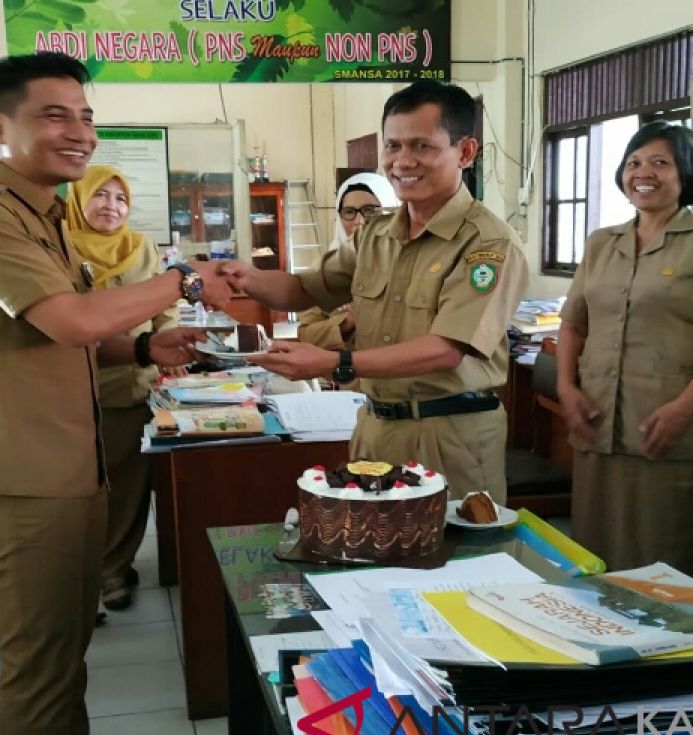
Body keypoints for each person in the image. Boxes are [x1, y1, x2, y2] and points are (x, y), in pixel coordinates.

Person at [0, 53, 229, 735]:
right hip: (19, 475)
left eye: (85, 114)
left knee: (67, 650)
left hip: (67, 462)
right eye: (54, 114)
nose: (79, 131)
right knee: (38, 665)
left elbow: (59, 338)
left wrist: (143, 345)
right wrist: (184, 279)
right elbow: (68, 321)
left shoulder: (48, 213)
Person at [222, 80, 527, 502]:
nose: (403, 162)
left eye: (422, 146)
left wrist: (337, 361)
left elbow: (446, 349)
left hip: (449, 434)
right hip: (375, 427)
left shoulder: (487, 243)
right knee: (372, 548)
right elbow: (304, 289)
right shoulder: (377, 232)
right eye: (393, 146)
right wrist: (240, 278)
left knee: (451, 560)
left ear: (465, 152)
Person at [556, 122, 693, 578]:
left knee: (660, 564)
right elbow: (573, 323)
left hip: (667, 426)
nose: (643, 172)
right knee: (593, 554)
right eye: (634, 162)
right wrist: (567, 387)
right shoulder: (602, 242)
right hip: (597, 423)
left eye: (660, 162)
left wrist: (684, 409)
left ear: (686, 173)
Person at [64, 164, 180, 612]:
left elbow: (165, 305)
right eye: (100, 196)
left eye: (120, 199)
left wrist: (170, 352)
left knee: (128, 488)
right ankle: (77, 574)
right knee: (79, 490)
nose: (111, 206)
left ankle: (114, 570)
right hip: (73, 391)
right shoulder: (60, 248)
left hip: (134, 384)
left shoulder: (141, 248)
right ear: (79, 199)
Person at [297, 172, 398, 353]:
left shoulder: (410, 263)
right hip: (344, 378)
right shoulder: (328, 268)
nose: (360, 221)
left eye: (370, 210)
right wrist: (347, 322)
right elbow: (306, 335)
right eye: (349, 212)